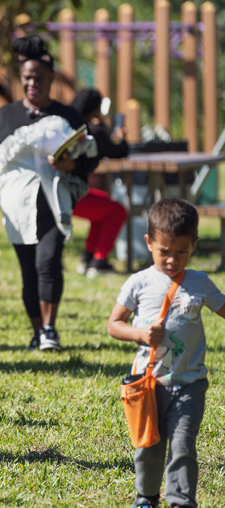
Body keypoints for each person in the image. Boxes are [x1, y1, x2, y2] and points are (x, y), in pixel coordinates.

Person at [0, 35, 99, 352]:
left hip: (55, 203)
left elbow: (91, 157)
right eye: (27, 78)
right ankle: (36, 331)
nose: (33, 83)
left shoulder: (68, 116)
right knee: (29, 271)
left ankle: (49, 330)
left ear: (51, 79)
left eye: (39, 78)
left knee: (49, 261)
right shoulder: (4, 117)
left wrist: (71, 164)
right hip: (16, 208)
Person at [107, 198, 225, 508]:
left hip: (190, 384)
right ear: (149, 243)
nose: (172, 260)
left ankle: (180, 501)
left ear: (194, 244)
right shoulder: (139, 282)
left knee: (183, 446)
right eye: (164, 252)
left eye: (182, 252)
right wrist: (139, 334)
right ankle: (146, 496)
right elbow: (114, 325)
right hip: (149, 386)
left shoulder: (199, 283)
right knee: (148, 446)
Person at [71, 88, 129, 277]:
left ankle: (88, 258)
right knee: (118, 210)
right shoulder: (92, 131)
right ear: (96, 108)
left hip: (61, 191)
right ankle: (99, 262)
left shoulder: (68, 126)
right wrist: (121, 136)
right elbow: (119, 151)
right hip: (72, 195)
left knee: (104, 210)